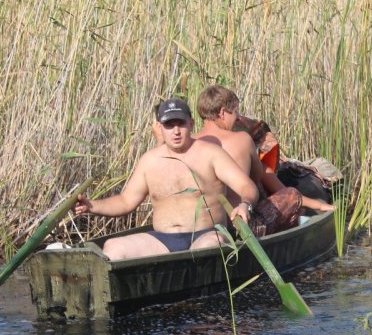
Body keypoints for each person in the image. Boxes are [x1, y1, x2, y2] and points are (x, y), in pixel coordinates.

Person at [73, 98, 258, 260]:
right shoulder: (149, 160)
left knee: (206, 249)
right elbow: (125, 201)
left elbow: (246, 186)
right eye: (169, 125)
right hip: (164, 239)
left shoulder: (211, 154)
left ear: (191, 124)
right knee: (113, 247)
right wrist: (91, 206)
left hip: (207, 235)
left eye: (181, 124)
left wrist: (245, 204)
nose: (176, 131)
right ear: (160, 128)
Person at [195, 85, 334, 236]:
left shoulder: (190, 144)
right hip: (237, 226)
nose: (239, 118)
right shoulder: (242, 140)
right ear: (222, 113)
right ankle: (300, 226)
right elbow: (258, 179)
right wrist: (318, 205)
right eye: (236, 112)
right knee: (291, 195)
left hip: (201, 227)